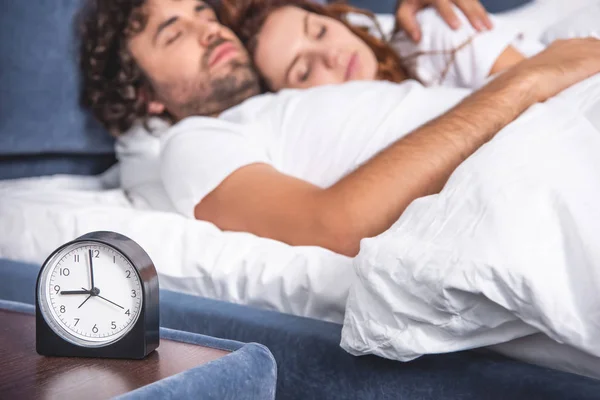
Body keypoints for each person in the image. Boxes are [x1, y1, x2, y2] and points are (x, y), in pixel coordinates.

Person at [78, 0, 600, 256]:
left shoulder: (296, 99)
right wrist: (525, 83)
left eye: (201, 11)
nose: (208, 28)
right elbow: (332, 226)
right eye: (175, 34)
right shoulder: (193, 144)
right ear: (145, 97)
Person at [221, 0, 531, 92]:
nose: (331, 55)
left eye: (319, 31)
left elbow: (554, 87)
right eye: (303, 72)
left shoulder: (434, 36)